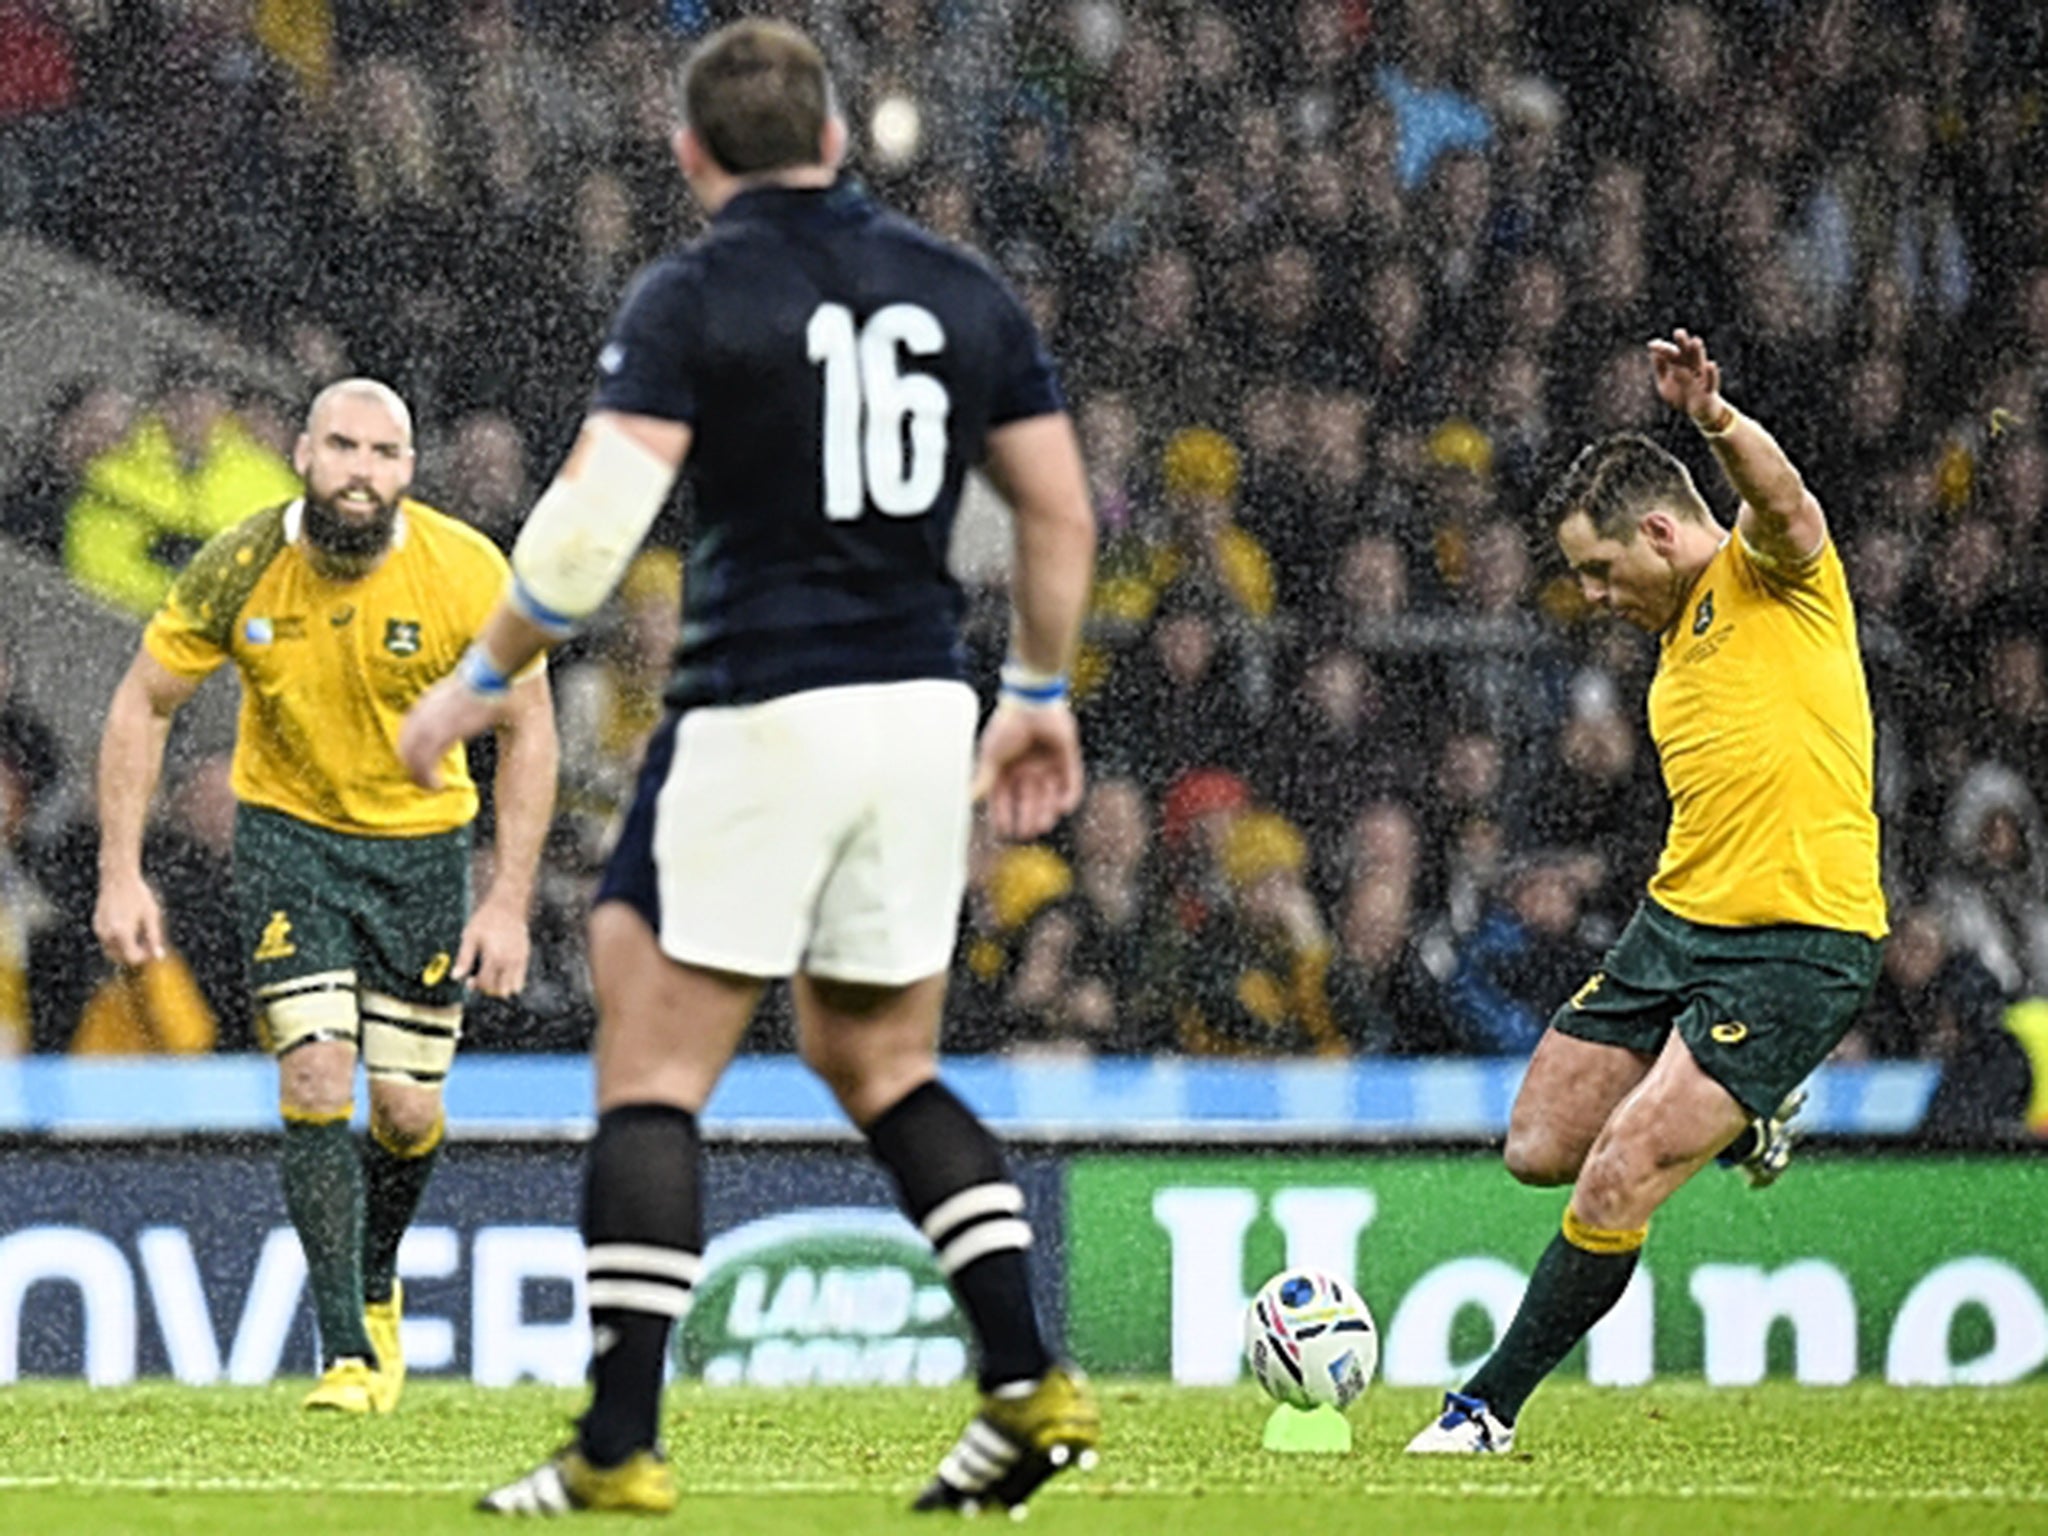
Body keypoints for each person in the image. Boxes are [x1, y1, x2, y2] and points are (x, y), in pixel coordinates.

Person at [397, 20, 1099, 1518]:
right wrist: (1035, 691)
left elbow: (591, 530)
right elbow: (1058, 509)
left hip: (764, 701)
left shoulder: (698, 290)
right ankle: (1030, 1380)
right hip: (924, 710)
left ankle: (619, 1446)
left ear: (690, 154)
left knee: (653, 1068)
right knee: (879, 1063)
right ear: (840, 141)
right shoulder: (960, 288)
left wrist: (479, 675)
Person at [1407, 330, 1886, 1454]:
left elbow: (1786, 500)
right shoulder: (1674, 647)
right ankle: (1746, 1110)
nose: (1586, 594)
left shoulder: (1773, 575)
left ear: (1661, 532)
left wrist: (1715, 422)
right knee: (1537, 1143)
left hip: (1795, 942)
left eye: (1596, 568)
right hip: (1676, 929)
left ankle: (1481, 1412)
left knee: (1621, 1168)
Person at [92, 378, 558, 1415]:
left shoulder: (466, 572)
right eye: (342, 446)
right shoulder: (242, 563)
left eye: (383, 453)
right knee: (314, 1078)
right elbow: (143, 700)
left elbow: (529, 729)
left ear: (407, 470)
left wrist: (508, 900)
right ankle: (346, 1351)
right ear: (303, 455)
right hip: (289, 842)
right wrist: (120, 871)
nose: (361, 470)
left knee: (404, 1110)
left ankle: (378, 1277)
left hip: (422, 855)